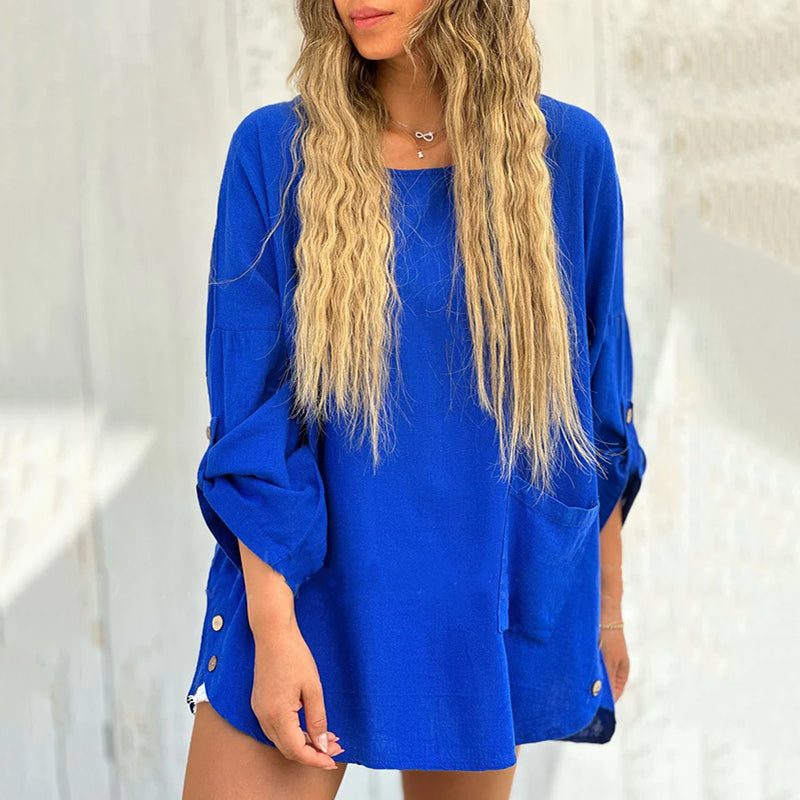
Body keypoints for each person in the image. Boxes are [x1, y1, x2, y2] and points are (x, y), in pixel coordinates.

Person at [182, 1, 648, 797]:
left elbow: (599, 410)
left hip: (480, 601)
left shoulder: (568, 156)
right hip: (301, 592)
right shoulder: (276, 153)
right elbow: (252, 418)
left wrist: (607, 608)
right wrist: (272, 625)